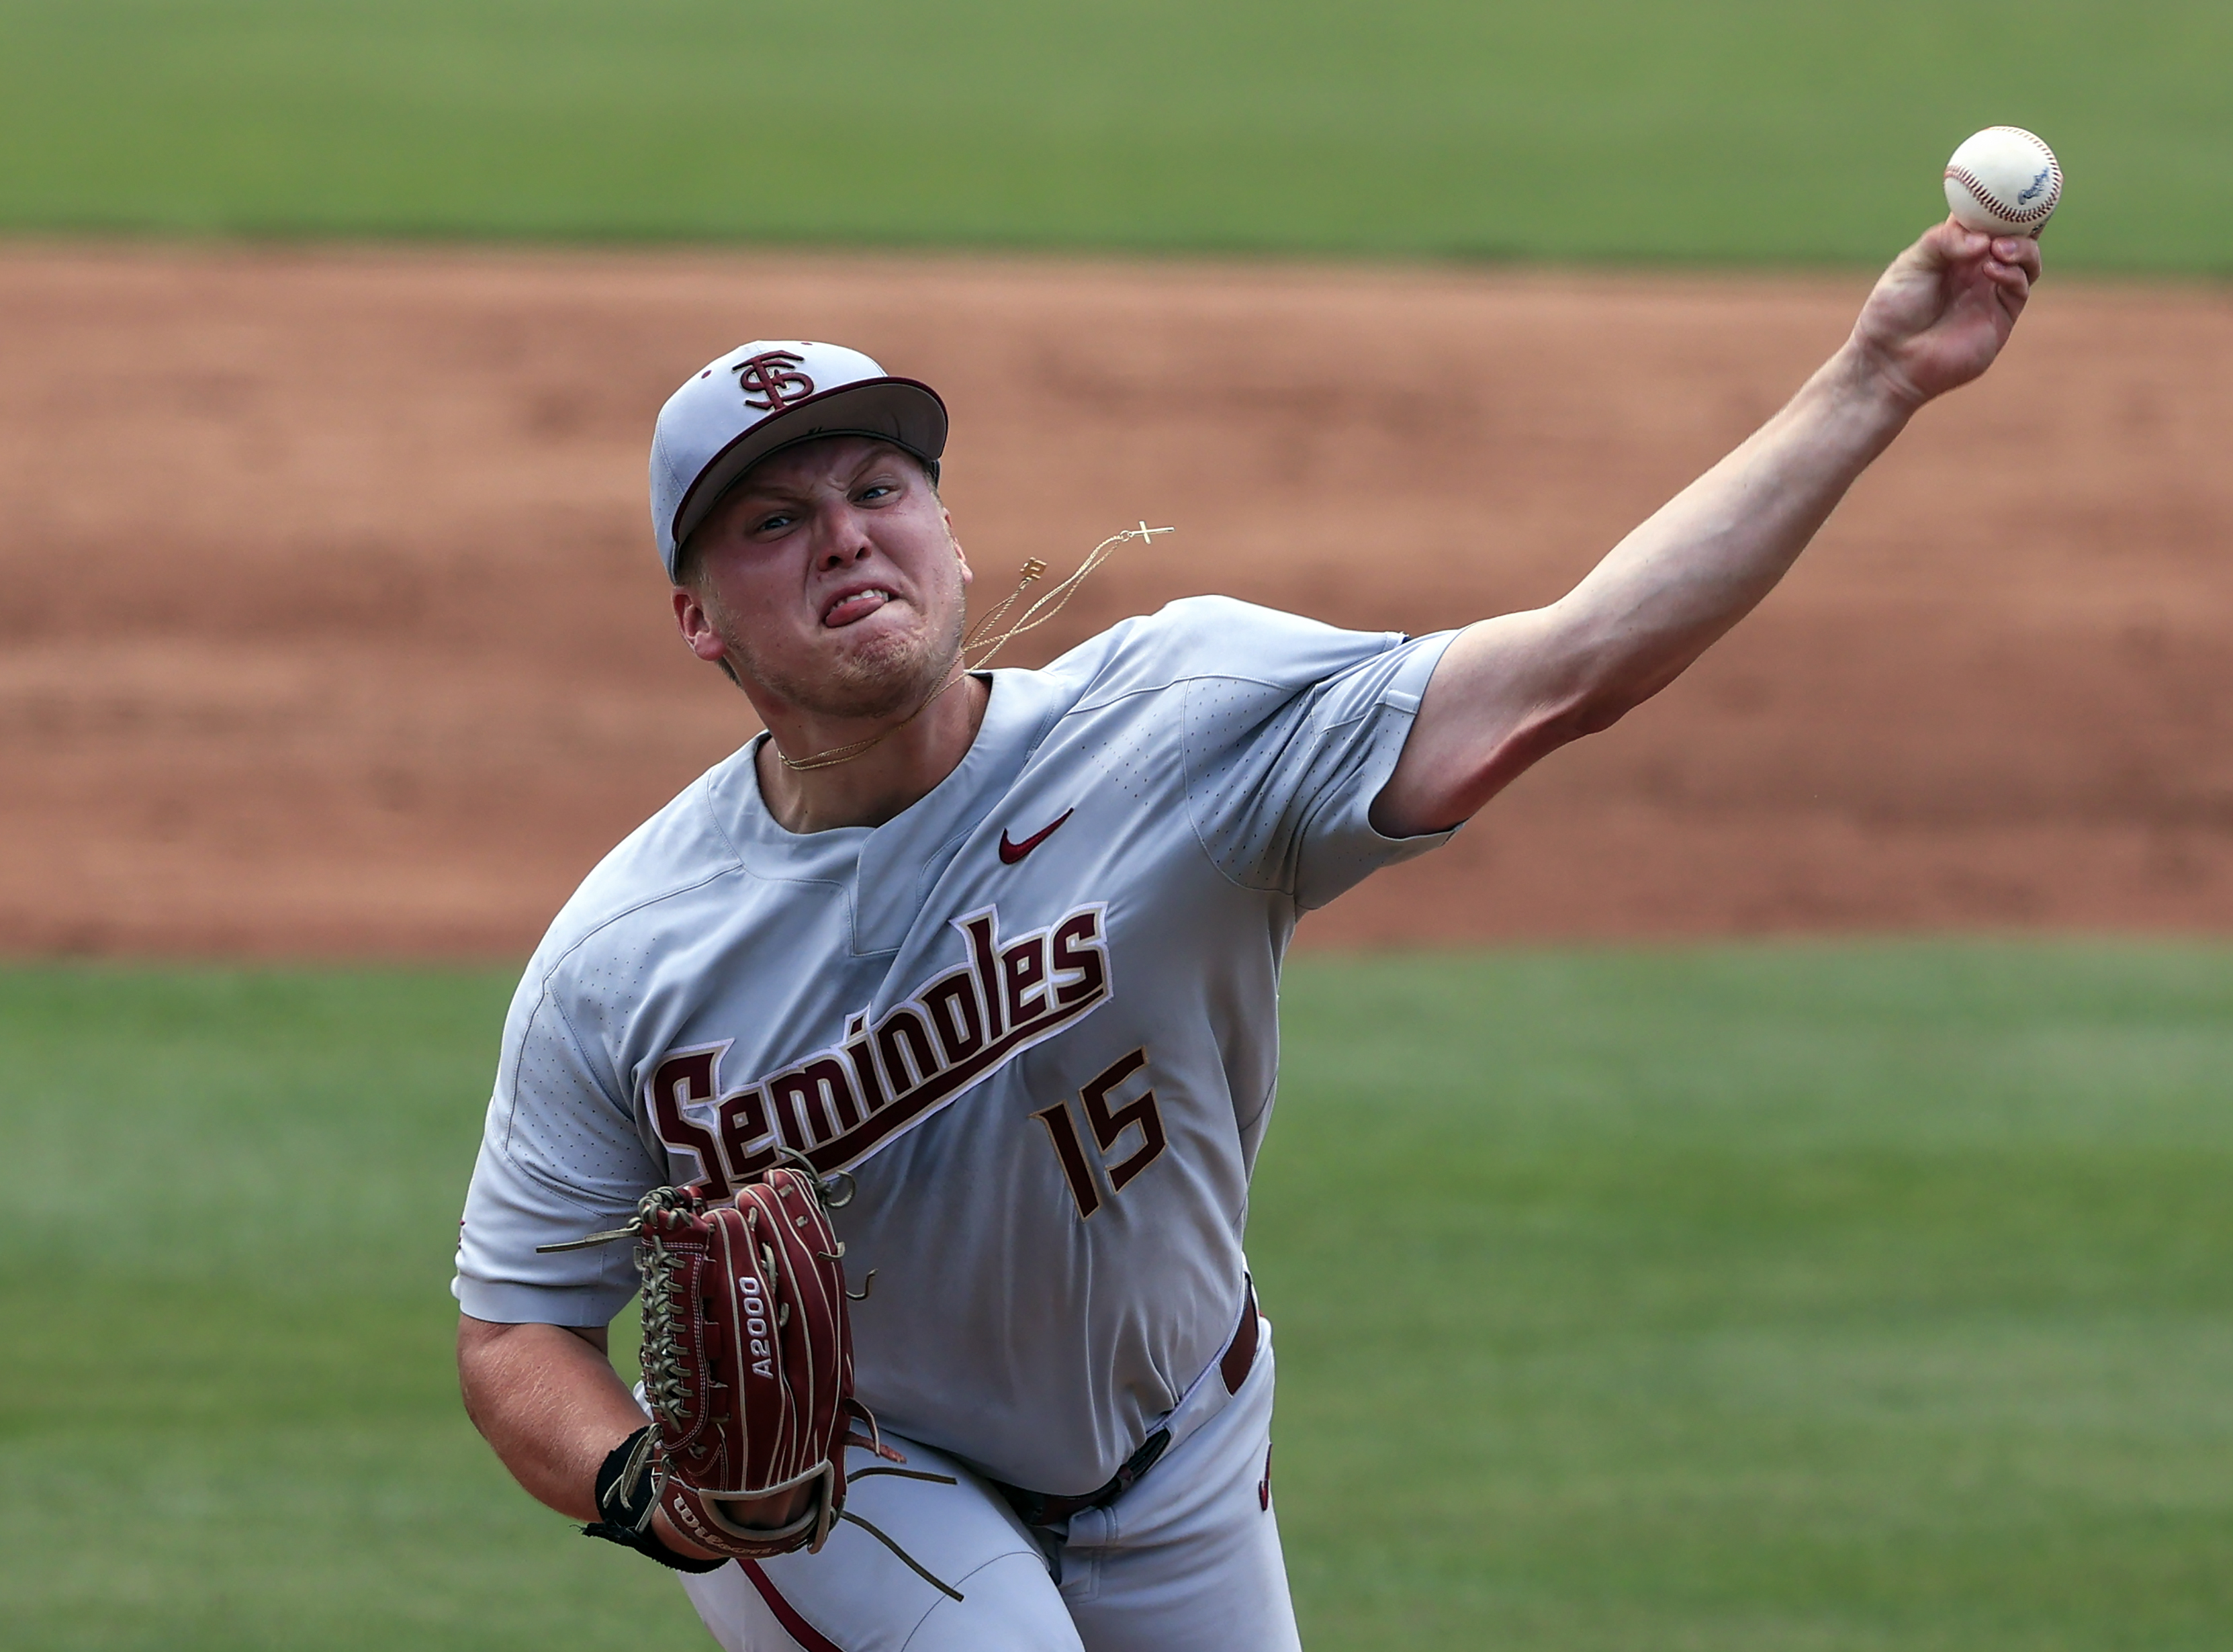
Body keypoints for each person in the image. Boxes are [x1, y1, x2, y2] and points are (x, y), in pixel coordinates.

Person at [453, 221, 2042, 1649]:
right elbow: (517, 1323)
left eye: (880, 490)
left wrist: (1876, 379)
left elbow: (1572, 668)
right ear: (695, 619)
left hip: (1183, 1438)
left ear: (947, 528)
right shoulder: (629, 958)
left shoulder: (1179, 722)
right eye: (773, 521)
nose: (847, 536)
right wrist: (649, 1487)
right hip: (850, 1480)